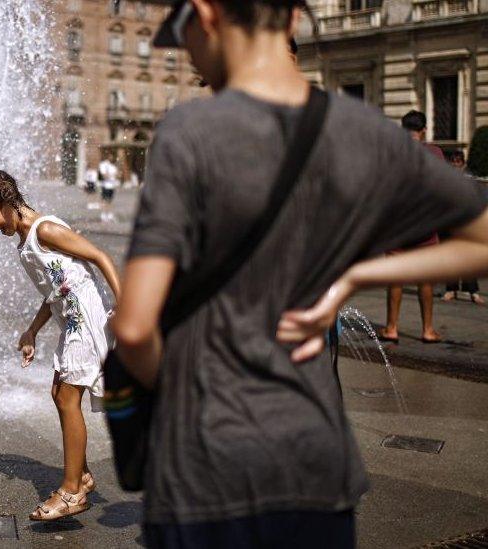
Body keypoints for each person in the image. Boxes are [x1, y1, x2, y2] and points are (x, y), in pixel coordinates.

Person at [111, 1, 488, 547]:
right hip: (316, 463)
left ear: (206, 16)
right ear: (292, 21)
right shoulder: (361, 128)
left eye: (183, 34)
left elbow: (132, 327)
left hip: (205, 470)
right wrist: (352, 279)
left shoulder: (190, 131)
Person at [0, 169, 121, 521]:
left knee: (67, 397)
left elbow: (100, 257)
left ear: (5, 201)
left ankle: (71, 493)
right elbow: (55, 292)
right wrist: (31, 331)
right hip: (71, 322)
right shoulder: (26, 241)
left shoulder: (44, 230)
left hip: (86, 320)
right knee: (58, 394)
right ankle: (80, 474)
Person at [379, 110, 444, 343]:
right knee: (425, 279)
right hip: (426, 224)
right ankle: (427, 330)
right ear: (423, 129)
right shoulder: (435, 153)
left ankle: (392, 328)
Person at [443, 149, 486, 304]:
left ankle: (472, 291)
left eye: (458, 161)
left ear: (463, 162)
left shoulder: (471, 178)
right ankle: (451, 289)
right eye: (453, 161)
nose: (455, 164)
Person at [98, 155, 120, 222]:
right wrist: (111, 175)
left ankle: (109, 214)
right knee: (105, 200)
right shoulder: (104, 165)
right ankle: (104, 215)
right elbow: (104, 175)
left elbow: (117, 175)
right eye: (110, 157)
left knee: (110, 201)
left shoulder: (113, 166)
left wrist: (113, 175)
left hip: (112, 186)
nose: (111, 158)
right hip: (106, 185)